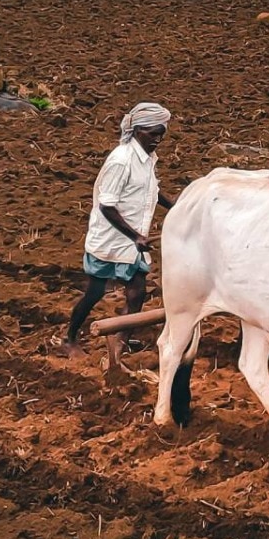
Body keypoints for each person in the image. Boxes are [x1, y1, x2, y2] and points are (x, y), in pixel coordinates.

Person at [61, 102, 175, 371]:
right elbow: (107, 204)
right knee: (95, 292)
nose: (157, 139)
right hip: (112, 238)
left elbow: (151, 191)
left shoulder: (147, 158)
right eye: (152, 133)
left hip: (134, 240)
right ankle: (69, 338)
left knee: (137, 293)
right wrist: (135, 235)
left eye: (161, 133)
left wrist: (176, 206)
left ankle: (120, 344)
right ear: (136, 130)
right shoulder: (121, 160)